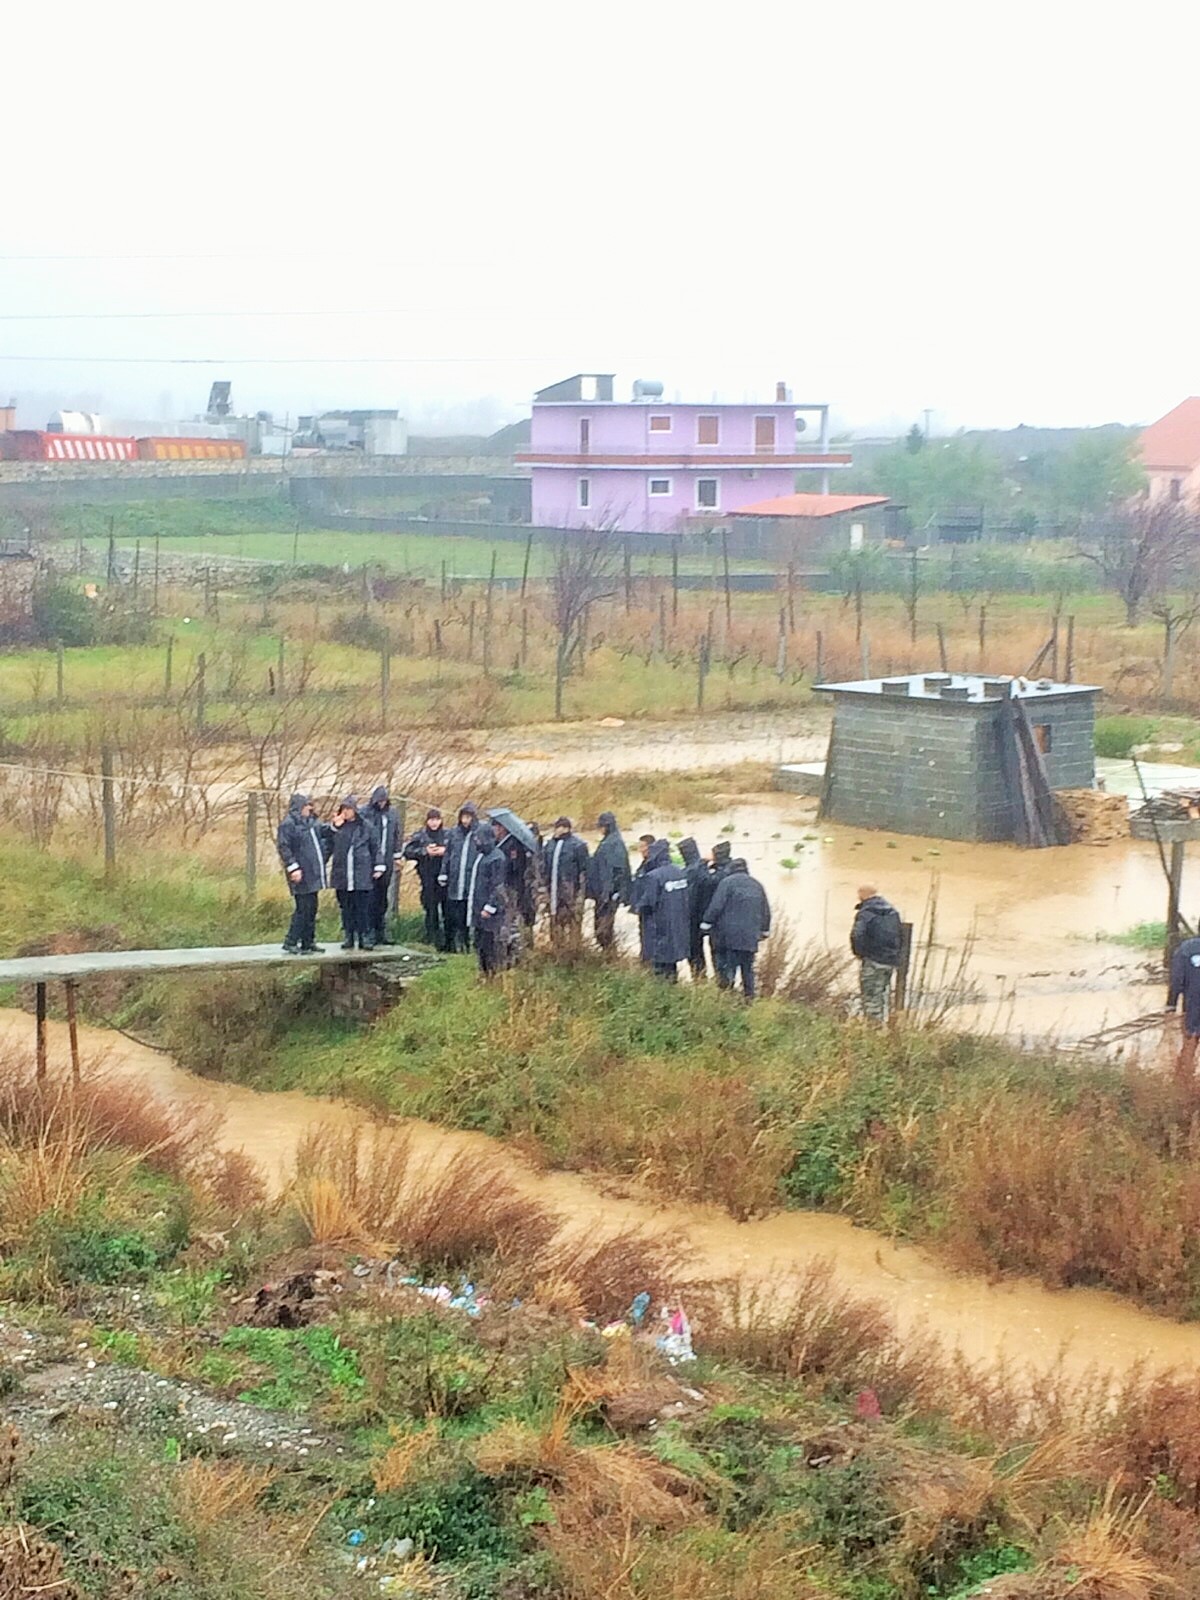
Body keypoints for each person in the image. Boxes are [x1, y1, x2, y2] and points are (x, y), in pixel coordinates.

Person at [701, 859, 771, 999]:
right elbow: (766, 911)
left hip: (729, 936)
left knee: (728, 969)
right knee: (747, 970)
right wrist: (764, 930)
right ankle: (749, 999)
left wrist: (706, 923)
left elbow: (716, 906)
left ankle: (727, 999)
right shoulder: (757, 885)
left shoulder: (727, 883)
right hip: (750, 938)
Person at [275, 792, 329, 955]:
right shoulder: (288, 824)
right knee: (302, 908)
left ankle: (308, 941)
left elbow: (324, 831)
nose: (310, 808)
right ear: (299, 807)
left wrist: (335, 825)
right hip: (300, 873)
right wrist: (293, 867)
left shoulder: (312, 822)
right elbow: (284, 847)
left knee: (312, 908)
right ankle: (290, 940)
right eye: (306, 805)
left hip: (312, 872)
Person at [329, 795, 383, 950]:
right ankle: (349, 936)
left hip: (362, 874)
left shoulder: (366, 826)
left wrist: (378, 865)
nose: (346, 812)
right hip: (343, 875)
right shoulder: (337, 827)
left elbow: (375, 847)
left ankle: (364, 936)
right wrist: (336, 826)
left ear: (355, 810)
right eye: (344, 809)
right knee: (346, 908)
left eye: (349, 809)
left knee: (363, 908)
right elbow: (327, 841)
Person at [631, 838, 690, 980]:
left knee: (659, 968)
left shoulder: (653, 876)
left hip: (658, 926)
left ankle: (661, 994)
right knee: (672, 965)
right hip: (678, 925)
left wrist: (637, 907)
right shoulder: (680, 872)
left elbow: (648, 902)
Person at [851, 884, 903, 1024]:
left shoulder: (866, 913)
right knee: (883, 994)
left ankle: (874, 1030)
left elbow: (857, 935)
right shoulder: (893, 912)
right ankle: (886, 1026)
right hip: (890, 961)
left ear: (862, 895)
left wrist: (859, 953)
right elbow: (900, 935)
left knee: (871, 995)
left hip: (873, 960)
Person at [542, 816, 590, 953]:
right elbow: (544, 868)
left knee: (573, 924)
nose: (558, 830)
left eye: (561, 827)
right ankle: (558, 951)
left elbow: (584, 870)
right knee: (555, 923)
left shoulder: (578, 845)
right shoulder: (550, 845)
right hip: (553, 893)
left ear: (567, 828)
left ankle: (574, 953)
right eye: (557, 827)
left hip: (571, 892)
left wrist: (581, 894)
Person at [468, 820, 510, 976]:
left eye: (478, 838)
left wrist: (490, 906)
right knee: (479, 943)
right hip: (478, 907)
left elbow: (498, 886)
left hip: (490, 912)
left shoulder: (497, 858)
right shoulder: (481, 856)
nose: (476, 842)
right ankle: (483, 971)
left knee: (489, 944)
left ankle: (492, 973)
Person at [403, 807, 449, 949]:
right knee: (430, 909)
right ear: (427, 821)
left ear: (441, 821)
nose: (434, 823)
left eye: (436, 820)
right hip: (427, 877)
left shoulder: (448, 835)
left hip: (446, 877)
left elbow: (457, 851)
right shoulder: (421, 835)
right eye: (431, 820)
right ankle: (431, 938)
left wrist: (444, 851)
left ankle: (447, 940)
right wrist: (425, 851)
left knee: (448, 909)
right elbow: (408, 851)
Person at [440, 801, 482, 954]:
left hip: (470, 881)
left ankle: (466, 944)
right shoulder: (454, 833)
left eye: (468, 817)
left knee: (466, 914)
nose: (465, 820)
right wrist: (444, 872)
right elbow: (447, 855)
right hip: (454, 880)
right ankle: (450, 944)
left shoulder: (478, 833)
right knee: (451, 914)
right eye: (463, 817)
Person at [365, 786, 403, 947]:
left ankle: (381, 931)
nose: (381, 804)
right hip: (370, 862)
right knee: (370, 898)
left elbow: (397, 835)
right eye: (378, 801)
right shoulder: (366, 814)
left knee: (382, 898)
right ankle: (369, 932)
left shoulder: (392, 814)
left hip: (387, 860)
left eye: (383, 801)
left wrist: (397, 855)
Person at [588, 811, 631, 951]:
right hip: (602, 894)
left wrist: (615, 892)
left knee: (603, 931)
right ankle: (609, 955)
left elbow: (620, 871)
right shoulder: (608, 841)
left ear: (607, 826)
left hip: (609, 895)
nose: (599, 829)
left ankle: (610, 955)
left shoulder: (615, 844)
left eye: (601, 826)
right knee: (601, 929)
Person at [492, 815, 537, 939]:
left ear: (502, 828)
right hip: (501, 885)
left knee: (514, 916)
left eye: (495, 827)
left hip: (513, 886)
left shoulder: (513, 845)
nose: (493, 830)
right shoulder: (497, 844)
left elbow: (516, 867)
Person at [1166, 933, 1200, 1092]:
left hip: (1193, 1006)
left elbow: (1176, 979)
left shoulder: (1185, 949)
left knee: (1190, 1043)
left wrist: (1171, 1004)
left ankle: (1181, 1087)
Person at [678, 837, 714, 980]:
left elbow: (690, 896)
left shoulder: (691, 871)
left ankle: (699, 977)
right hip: (705, 914)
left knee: (694, 950)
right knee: (701, 950)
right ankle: (701, 977)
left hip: (693, 916)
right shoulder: (703, 868)